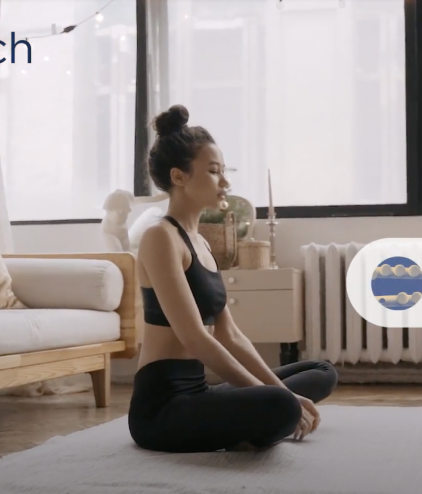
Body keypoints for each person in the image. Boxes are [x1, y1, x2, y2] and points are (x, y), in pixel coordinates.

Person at [128, 104, 338, 453]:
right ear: (179, 177)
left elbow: (230, 335)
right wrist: (275, 396)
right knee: (284, 406)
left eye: (224, 171)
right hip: (163, 408)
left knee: (321, 371)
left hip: (201, 391)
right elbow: (195, 337)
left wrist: (279, 390)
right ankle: (264, 419)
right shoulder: (160, 237)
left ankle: (256, 419)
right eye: (213, 171)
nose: (225, 182)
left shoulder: (202, 244)